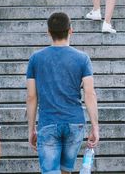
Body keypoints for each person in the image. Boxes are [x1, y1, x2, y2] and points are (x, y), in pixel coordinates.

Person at [26, 12, 99, 174]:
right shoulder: (83, 59)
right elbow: (89, 94)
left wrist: (31, 128)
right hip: (74, 123)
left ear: (48, 32)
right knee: (66, 170)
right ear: (70, 30)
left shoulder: (36, 59)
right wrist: (95, 127)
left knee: (51, 171)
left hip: (48, 122)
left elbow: (31, 97)